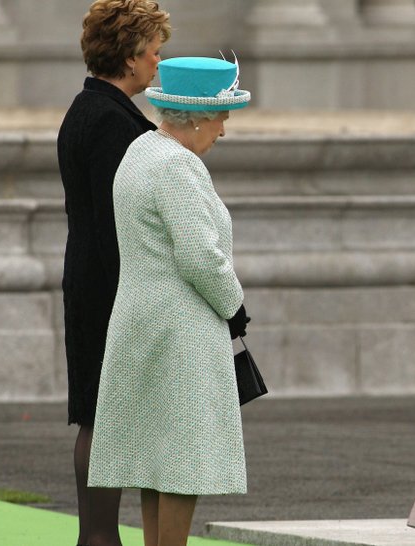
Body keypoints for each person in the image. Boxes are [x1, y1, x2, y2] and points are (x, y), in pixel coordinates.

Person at [87, 56, 253, 546]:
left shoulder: (141, 150)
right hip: (179, 333)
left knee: (156, 462)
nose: (223, 130)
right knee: (181, 466)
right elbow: (201, 258)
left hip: (141, 322)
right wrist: (235, 305)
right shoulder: (178, 166)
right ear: (198, 115)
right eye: (222, 117)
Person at [56, 2, 171, 545]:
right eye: (153, 51)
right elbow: (115, 224)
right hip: (108, 287)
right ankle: (99, 537)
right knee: (103, 415)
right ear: (129, 56)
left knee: (98, 414)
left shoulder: (91, 109)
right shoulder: (109, 120)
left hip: (92, 279)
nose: (157, 62)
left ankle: (98, 536)